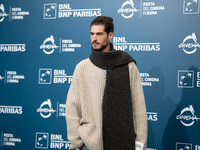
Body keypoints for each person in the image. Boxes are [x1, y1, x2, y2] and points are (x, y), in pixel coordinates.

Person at [66, 16, 147, 150]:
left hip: (124, 144)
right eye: (92, 34)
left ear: (110, 36)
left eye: (99, 34)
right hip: (90, 145)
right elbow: (72, 107)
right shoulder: (82, 67)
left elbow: (138, 107)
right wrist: (77, 141)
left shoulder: (127, 65)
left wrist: (139, 144)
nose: (94, 39)